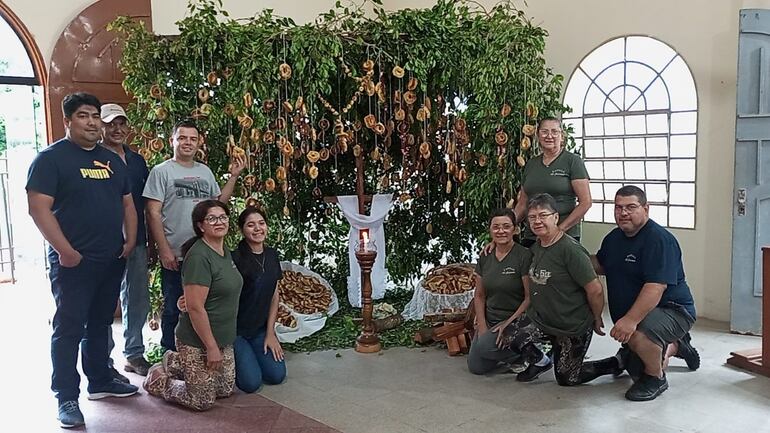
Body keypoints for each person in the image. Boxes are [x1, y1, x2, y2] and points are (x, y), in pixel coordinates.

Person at [27, 92, 139, 428]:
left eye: (94, 116)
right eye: (83, 116)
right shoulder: (51, 159)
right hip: (73, 262)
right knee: (69, 328)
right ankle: (66, 396)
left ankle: (100, 380)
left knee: (100, 323)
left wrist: (130, 240)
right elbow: (38, 208)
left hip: (111, 258)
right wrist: (65, 250)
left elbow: (128, 204)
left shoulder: (111, 160)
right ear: (68, 121)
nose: (91, 122)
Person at [143, 119, 245, 352]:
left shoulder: (204, 171)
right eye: (182, 138)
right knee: (174, 308)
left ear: (199, 142)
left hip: (206, 254)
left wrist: (234, 176)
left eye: (192, 138)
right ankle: (171, 356)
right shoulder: (161, 172)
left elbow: (218, 205)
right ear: (172, 141)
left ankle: (201, 353)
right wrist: (164, 249)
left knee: (201, 306)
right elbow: (153, 213)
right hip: (177, 255)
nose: (187, 143)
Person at [592, 186, 699, 401]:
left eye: (631, 207)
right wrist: (571, 257)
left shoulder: (659, 240)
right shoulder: (614, 238)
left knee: (639, 336)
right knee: (634, 367)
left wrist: (630, 320)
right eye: (618, 208)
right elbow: (601, 265)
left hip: (674, 310)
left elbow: (655, 287)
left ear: (646, 208)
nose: (623, 213)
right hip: (643, 313)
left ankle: (656, 378)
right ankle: (675, 346)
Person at [503, 193, 620, 385]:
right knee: (510, 334)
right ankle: (541, 361)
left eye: (543, 215)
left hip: (570, 326)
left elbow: (595, 289)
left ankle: (614, 363)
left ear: (556, 217)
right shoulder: (535, 248)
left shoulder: (570, 250)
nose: (537, 221)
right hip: (543, 320)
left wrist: (597, 317)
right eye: (532, 217)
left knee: (567, 378)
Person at [144, 200, 242, 411]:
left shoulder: (224, 251)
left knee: (224, 389)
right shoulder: (198, 257)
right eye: (212, 218)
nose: (219, 222)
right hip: (197, 340)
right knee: (202, 399)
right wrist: (211, 347)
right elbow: (195, 307)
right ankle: (159, 378)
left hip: (223, 336)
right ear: (200, 225)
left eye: (223, 217)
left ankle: (176, 363)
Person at [178, 206, 287, 392]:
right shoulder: (233, 257)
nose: (257, 229)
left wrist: (270, 333)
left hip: (259, 330)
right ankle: (181, 363)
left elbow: (274, 294)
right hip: (235, 330)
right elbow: (210, 287)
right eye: (250, 225)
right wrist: (185, 301)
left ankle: (250, 354)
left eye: (261, 223)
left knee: (276, 375)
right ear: (241, 229)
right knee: (250, 384)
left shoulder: (272, 255)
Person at [100, 103, 153, 378]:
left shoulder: (137, 160)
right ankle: (102, 359)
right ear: (101, 126)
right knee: (104, 300)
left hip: (138, 239)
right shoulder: (92, 159)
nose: (117, 129)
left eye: (121, 123)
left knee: (137, 297)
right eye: (110, 124)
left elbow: (146, 202)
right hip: (104, 241)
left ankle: (134, 353)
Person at [467, 208, 533, 375]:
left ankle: (530, 356)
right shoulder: (485, 256)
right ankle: (506, 355)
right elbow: (480, 295)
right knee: (477, 367)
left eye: (506, 226)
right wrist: (482, 326)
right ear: (489, 229)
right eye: (496, 227)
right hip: (491, 317)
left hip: (516, 318)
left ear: (515, 229)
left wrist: (508, 323)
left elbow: (529, 297)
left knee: (485, 347)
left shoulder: (524, 256)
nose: (501, 231)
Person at [513, 117, 591, 247]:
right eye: (544, 131)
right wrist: (506, 227)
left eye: (555, 132)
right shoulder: (531, 164)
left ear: (562, 136)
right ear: (538, 135)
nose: (549, 136)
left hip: (564, 235)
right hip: (533, 236)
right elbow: (522, 203)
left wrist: (558, 231)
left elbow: (585, 202)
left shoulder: (573, 161)